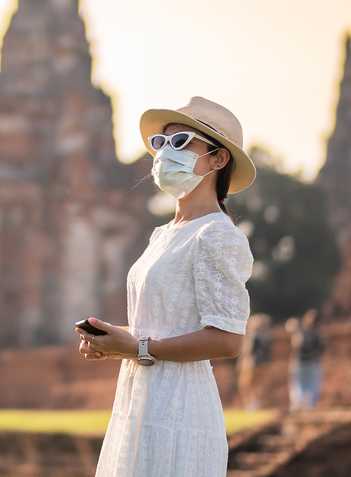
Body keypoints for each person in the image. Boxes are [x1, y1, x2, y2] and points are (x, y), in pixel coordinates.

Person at [76, 97, 256, 477]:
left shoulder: (217, 235)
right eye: (161, 143)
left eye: (181, 142)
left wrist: (137, 348)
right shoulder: (164, 234)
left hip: (181, 407)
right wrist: (114, 341)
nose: (164, 154)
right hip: (138, 399)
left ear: (217, 159)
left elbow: (227, 339)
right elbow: (166, 325)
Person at [288, 309, 324, 410]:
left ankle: (297, 405)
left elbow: (295, 345)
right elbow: (322, 348)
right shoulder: (318, 334)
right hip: (313, 362)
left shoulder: (300, 331)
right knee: (312, 386)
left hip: (299, 362)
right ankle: (309, 408)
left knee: (298, 386)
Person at [237, 314, 272, 410]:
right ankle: (257, 403)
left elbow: (248, 351)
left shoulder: (253, 336)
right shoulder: (268, 336)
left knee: (245, 385)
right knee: (260, 386)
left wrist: (241, 362)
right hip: (264, 364)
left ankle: (251, 404)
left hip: (251, 364)